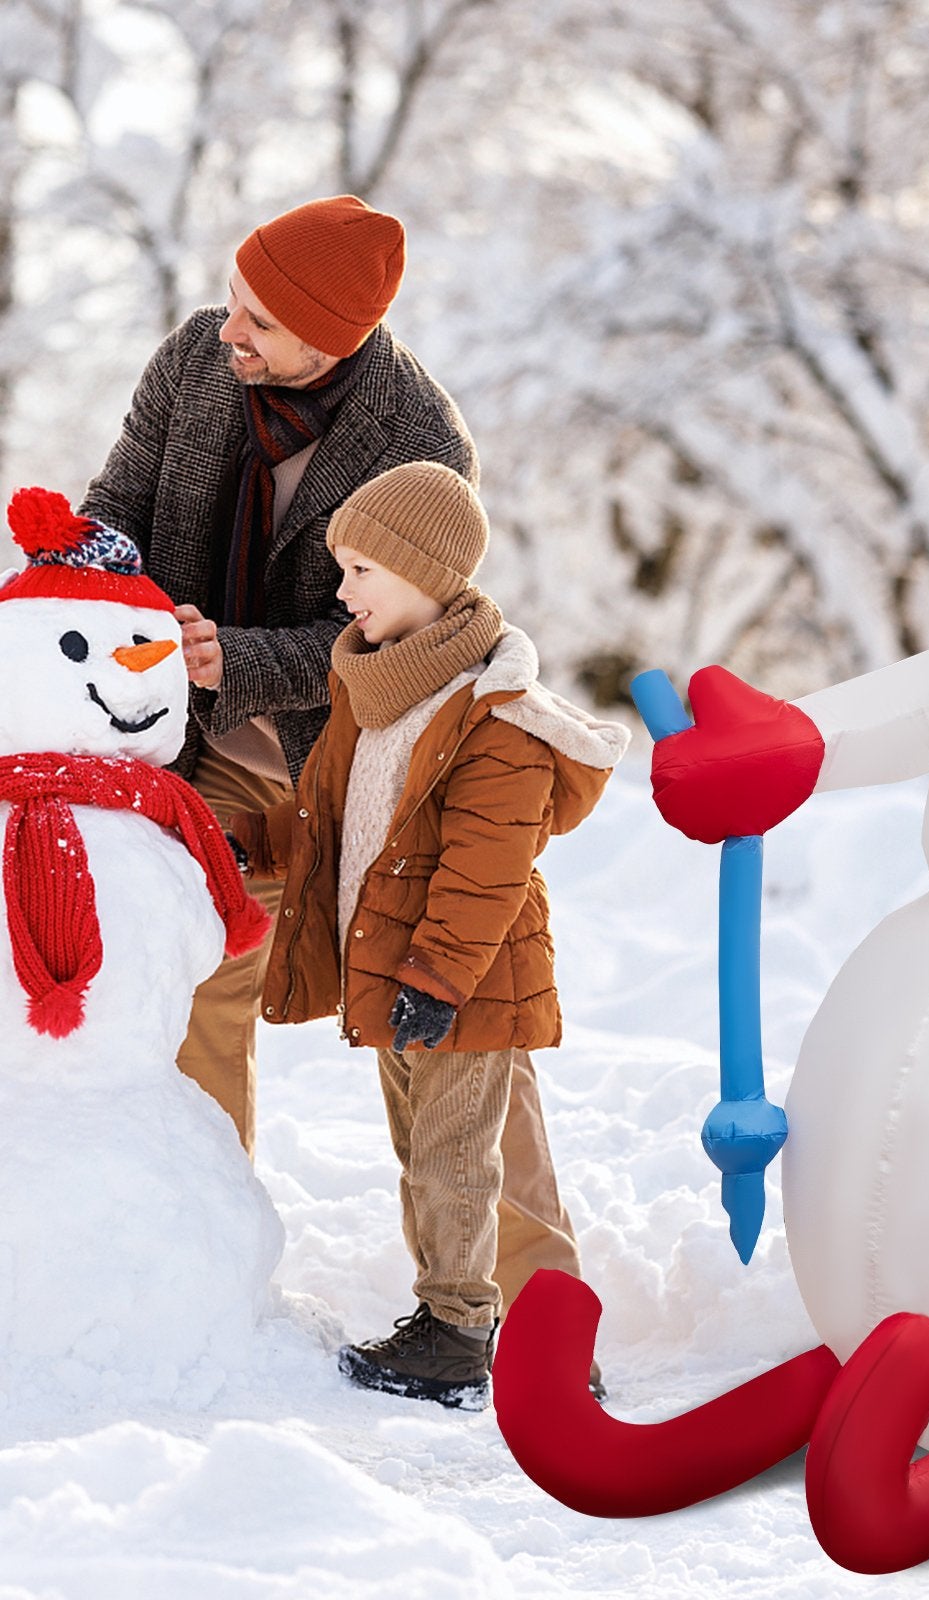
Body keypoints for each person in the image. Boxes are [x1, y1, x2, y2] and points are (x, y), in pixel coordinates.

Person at [79, 194, 476, 1157]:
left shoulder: (419, 445)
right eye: (233, 298)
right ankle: (201, 1233)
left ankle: (514, 1272)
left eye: (262, 320)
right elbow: (121, 500)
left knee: (442, 1011)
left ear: (337, 338)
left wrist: (241, 658)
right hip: (201, 740)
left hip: (351, 754)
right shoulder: (195, 359)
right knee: (192, 976)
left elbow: (391, 641)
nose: (233, 331)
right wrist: (80, 564)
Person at [231, 461, 628, 1406]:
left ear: (423, 572)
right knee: (423, 1152)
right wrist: (245, 838)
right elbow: (333, 820)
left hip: (461, 984)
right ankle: (446, 1311)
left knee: (455, 1157)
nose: (341, 590)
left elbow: (483, 869)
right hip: (396, 972)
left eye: (362, 569)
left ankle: (457, 1332)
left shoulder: (497, 716)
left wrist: (439, 978)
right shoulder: (379, 697)